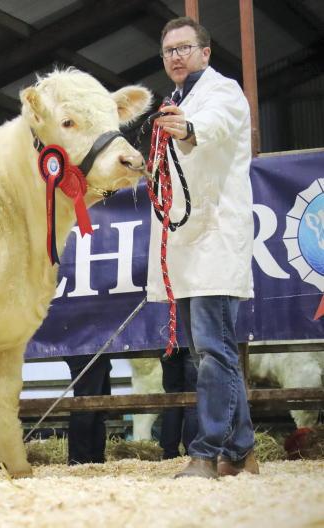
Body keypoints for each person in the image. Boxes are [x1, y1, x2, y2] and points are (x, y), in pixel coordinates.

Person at [148, 17, 257, 478]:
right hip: (189, 243)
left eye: (184, 48)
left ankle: (207, 453)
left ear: (205, 52)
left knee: (214, 350)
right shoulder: (174, 100)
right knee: (211, 350)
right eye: (169, 50)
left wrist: (187, 127)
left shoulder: (223, 92)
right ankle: (242, 452)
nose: (176, 56)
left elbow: (211, 125)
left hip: (216, 236)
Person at [64, 354, 111, 464]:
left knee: (98, 408)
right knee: (85, 406)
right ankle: (80, 459)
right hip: (85, 351)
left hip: (96, 352)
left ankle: (95, 459)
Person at [159, 347, 198, 459]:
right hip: (193, 342)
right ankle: (192, 452)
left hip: (169, 342)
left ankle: (169, 453)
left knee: (172, 396)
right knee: (193, 398)